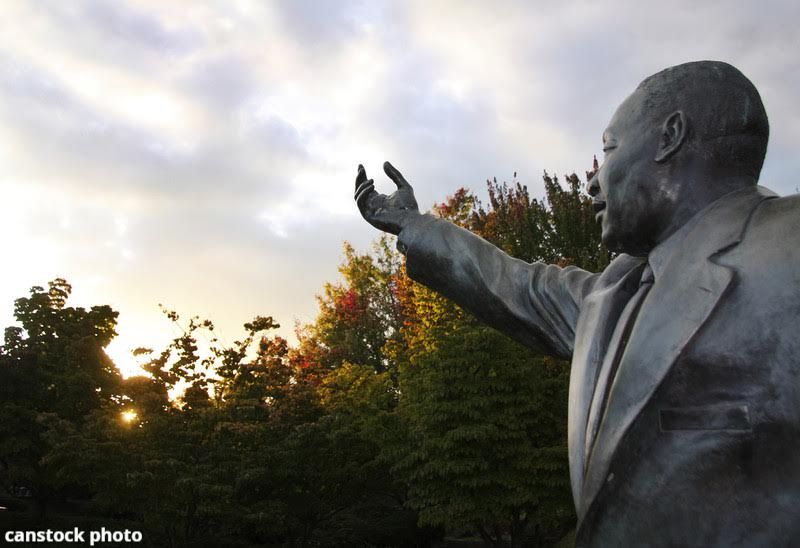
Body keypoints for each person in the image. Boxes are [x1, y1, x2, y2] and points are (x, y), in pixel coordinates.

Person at [353, 61, 800, 546]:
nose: (592, 181)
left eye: (609, 150)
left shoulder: (788, 243)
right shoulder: (616, 292)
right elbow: (516, 286)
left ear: (670, 137)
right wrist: (414, 226)